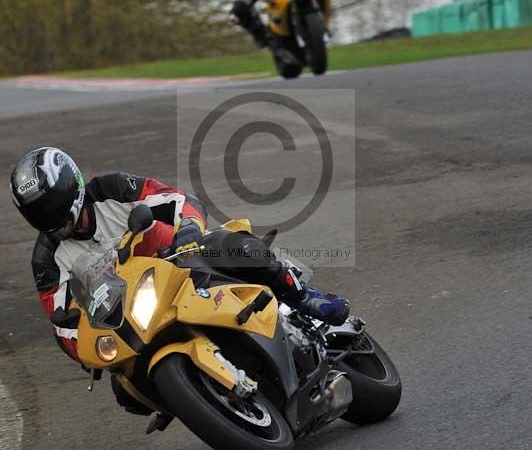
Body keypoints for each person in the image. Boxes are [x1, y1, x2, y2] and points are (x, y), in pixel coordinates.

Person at [11, 147, 349, 419]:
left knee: (231, 245)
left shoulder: (112, 190)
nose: (49, 218)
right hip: (132, 315)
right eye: (38, 213)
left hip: (180, 262)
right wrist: (84, 347)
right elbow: (61, 323)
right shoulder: (47, 260)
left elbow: (173, 199)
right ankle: (203, 401)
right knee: (127, 392)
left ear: (72, 188)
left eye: (51, 205)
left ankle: (304, 297)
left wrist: (188, 226)